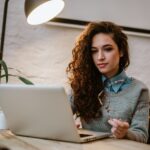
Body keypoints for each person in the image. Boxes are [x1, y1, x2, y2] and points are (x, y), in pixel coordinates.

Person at [66, 21, 150, 143]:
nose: (100, 57)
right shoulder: (81, 84)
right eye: (94, 51)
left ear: (121, 51)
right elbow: (59, 117)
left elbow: (142, 136)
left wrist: (125, 133)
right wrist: (67, 127)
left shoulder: (139, 90)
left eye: (108, 49)